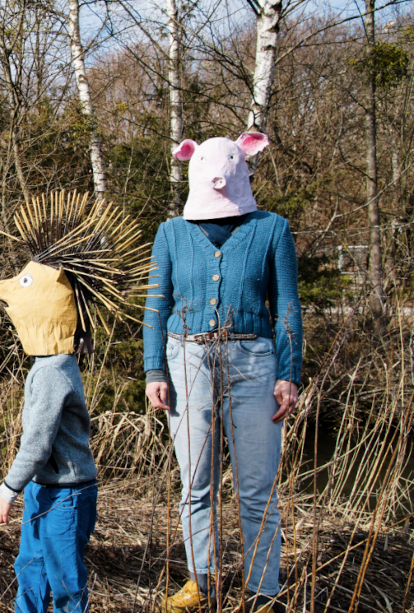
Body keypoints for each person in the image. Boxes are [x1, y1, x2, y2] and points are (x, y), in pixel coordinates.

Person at [143, 132, 302, 613]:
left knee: (257, 488)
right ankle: (201, 581)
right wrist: (154, 369)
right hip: (185, 359)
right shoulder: (171, 231)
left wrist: (289, 372)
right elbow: (156, 304)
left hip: (255, 362)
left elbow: (288, 305)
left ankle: (263, 590)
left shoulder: (273, 228)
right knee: (195, 485)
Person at [0, 191, 153, 613]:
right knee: (31, 566)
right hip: (48, 490)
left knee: (64, 579)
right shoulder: (55, 364)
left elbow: (38, 443)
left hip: (66, 494)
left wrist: (7, 491)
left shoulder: (51, 373)